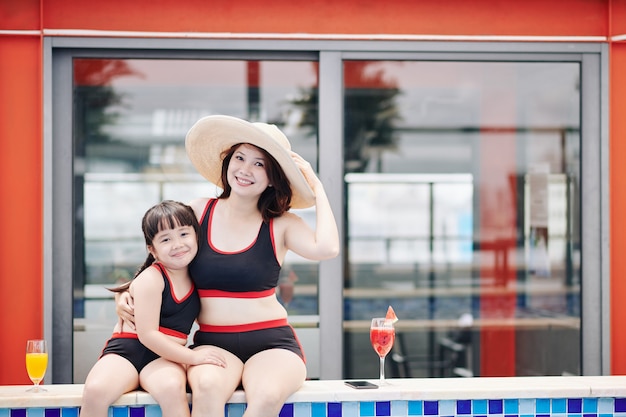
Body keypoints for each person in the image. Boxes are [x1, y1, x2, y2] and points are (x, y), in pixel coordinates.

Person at [117, 115, 340, 417]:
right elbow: (163, 254)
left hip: (273, 343)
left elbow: (327, 248)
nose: (245, 170)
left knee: (266, 397)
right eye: (240, 157)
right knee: (206, 389)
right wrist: (128, 294)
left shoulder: (281, 224)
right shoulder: (198, 211)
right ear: (228, 163)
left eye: (259, 164)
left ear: (273, 177)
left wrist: (318, 188)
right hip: (213, 342)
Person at [81, 200, 226, 417]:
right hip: (127, 352)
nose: (177, 244)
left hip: (164, 358)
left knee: (171, 389)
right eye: (166, 239)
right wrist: (193, 357)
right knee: (95, 391)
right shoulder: (152, 278)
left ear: (196, 235)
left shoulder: (200, 275)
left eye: (184, 234)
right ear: (152, 249)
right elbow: (147, 335)